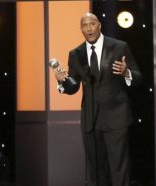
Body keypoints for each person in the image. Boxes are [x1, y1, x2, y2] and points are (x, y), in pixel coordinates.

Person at [53, 12, 142, 186]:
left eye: (92, 24)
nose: (89, 28)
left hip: (116, 117)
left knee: (119, 168)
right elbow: (73, 87)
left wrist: (126, 72)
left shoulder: (119, 47)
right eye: (85, 26)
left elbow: (138, 77)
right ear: (81, 30)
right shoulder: (76, 54)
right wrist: (62, 81)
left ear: (99, 25)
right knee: (95, 171)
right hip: (90, 119)